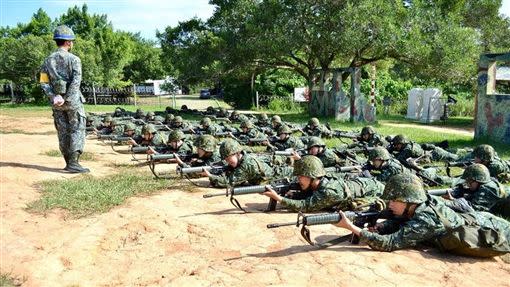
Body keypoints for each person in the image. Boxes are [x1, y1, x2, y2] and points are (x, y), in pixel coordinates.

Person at [334, 173, 510, 257]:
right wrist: (382, 226)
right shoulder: (418, 206)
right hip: (478, 219)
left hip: (494, 227)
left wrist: (351, 227)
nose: (390, 204)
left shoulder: (427, 218)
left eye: (395, 200)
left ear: (410, 200)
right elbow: (405, 224)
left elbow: (390, 244)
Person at [39, 25, 89, 173]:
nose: (72, 44)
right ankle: (73, 163)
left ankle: (68, 162)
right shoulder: (74, 59)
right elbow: (76, 81)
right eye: (71, 41)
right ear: (68, 42)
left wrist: (54, 97)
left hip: (56, 103)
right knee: (77, 129)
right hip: (72, 102)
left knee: (62, 131)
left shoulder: (48, 60)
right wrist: (67, 98)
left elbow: (43, 81)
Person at [261, 155, 384, 212]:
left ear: (313, 177)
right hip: (363, 183)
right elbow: (310, 195)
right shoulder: (319, 182)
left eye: (301, 177)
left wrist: (278, 198)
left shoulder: (328, 192)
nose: (298, 180)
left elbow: (305, 206)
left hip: (375, 189)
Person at [206, 139, 291, 188]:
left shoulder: (246, 164)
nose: (227, 161)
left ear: (238, 153)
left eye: (228, 158)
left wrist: (210, 176)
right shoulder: (242, 158)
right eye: (225, 159)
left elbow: (229, 182)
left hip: (285, 175)